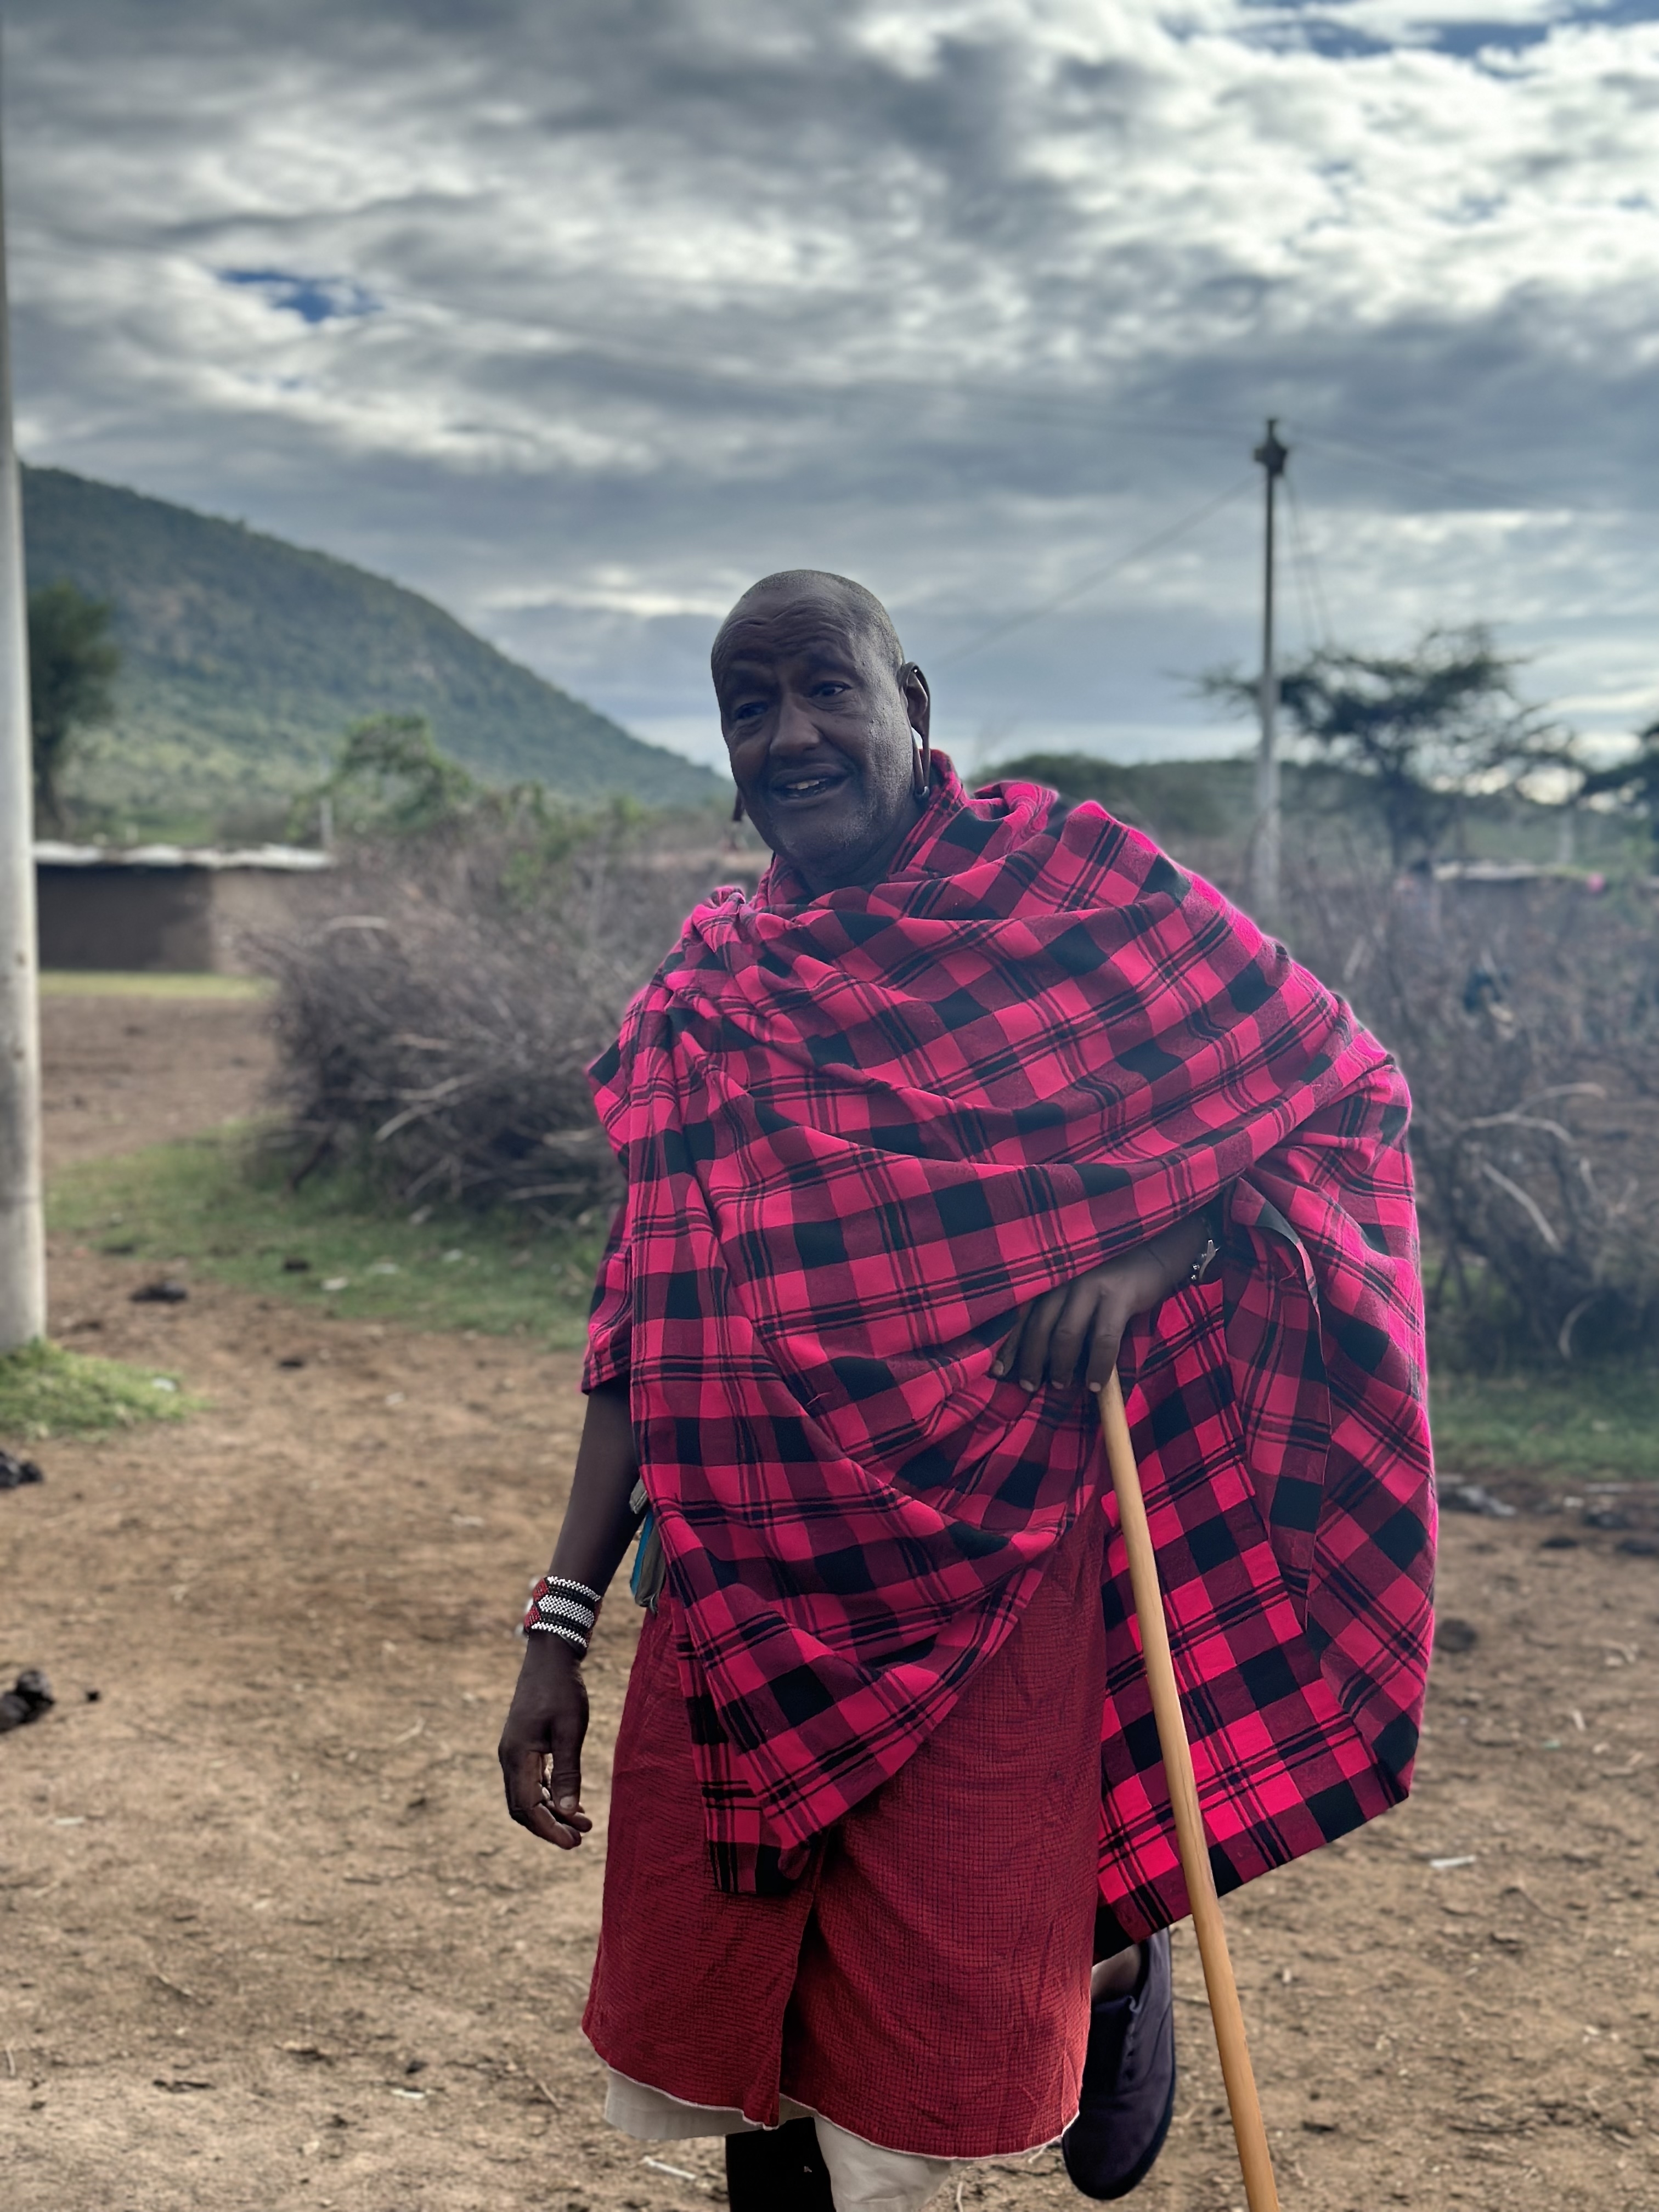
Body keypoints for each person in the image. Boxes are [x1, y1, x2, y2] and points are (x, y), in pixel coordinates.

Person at [499, 571, 1435, 2212]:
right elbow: (641, 1314)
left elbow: (1339, 1089)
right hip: (735, 1583)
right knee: (748, 2030)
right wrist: (556, 1628)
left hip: (1000, 1560)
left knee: (946, 2017)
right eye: (748, 704)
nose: (791, 733)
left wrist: (1161, 1258)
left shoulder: (1078, 896)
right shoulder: (708, 998)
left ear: (913, 701)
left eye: (826, 688)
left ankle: (1119, 1960)